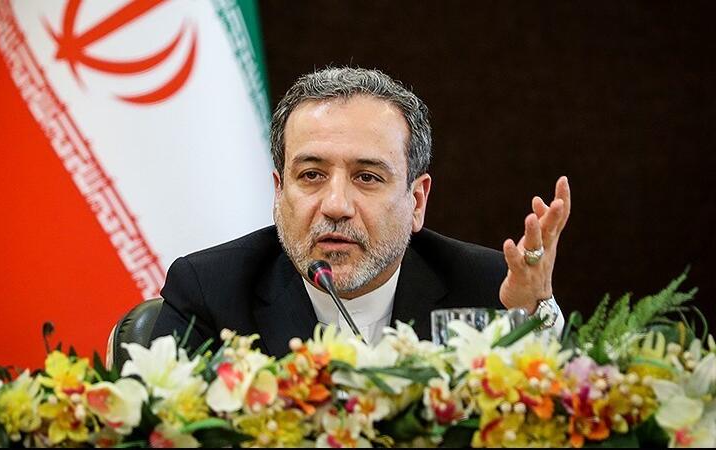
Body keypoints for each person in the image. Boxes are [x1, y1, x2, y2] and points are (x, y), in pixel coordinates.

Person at [150, 67, 571, 357]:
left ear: (416, 201)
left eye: (367, 177)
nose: (336, 205)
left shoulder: (490, 291)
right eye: (311, 175)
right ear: (279, 192)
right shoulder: (211, 291)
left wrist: (530, 318)